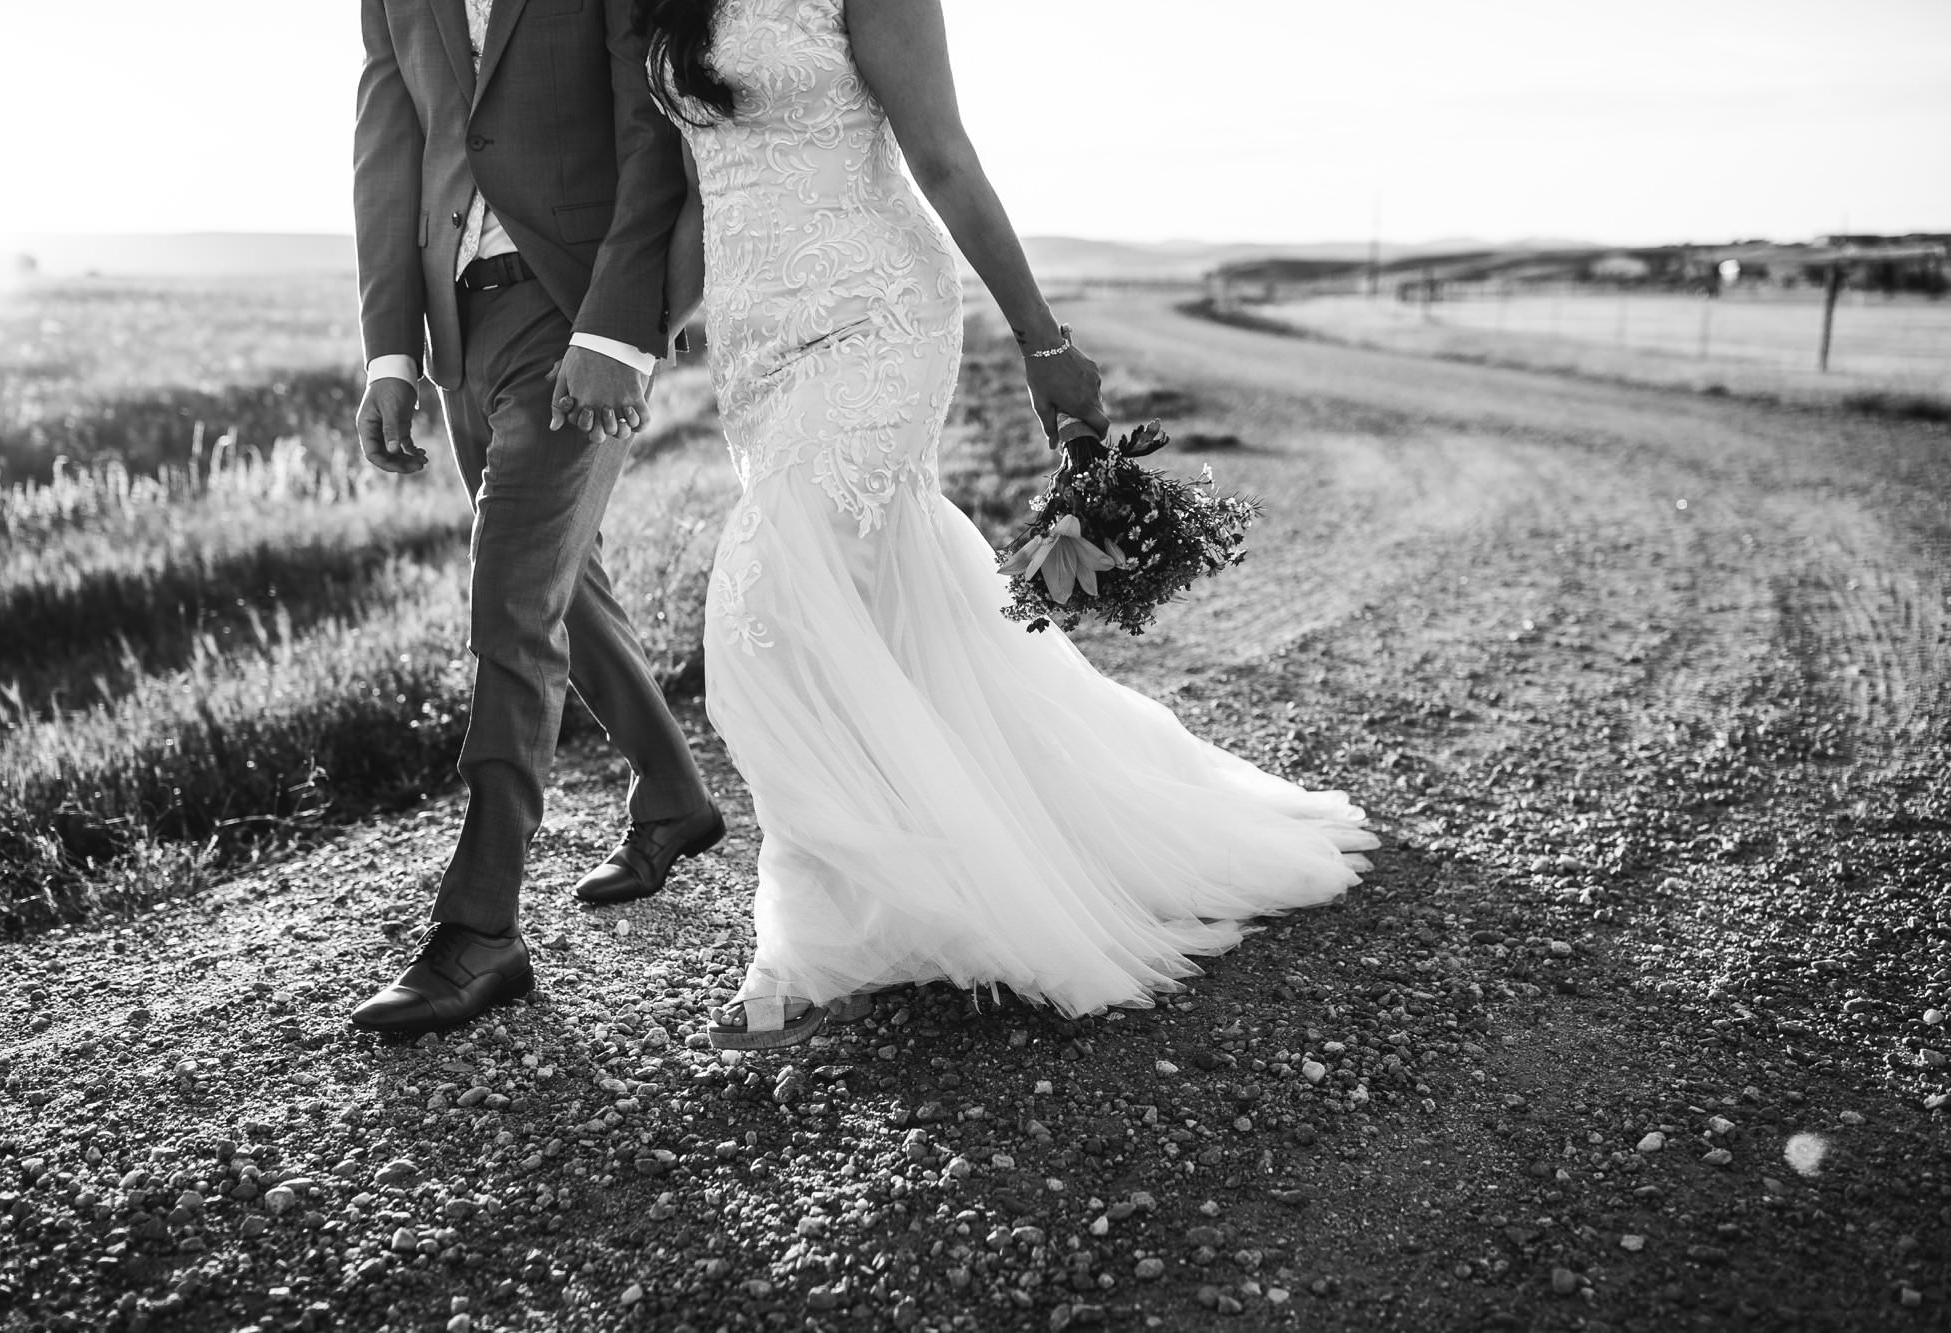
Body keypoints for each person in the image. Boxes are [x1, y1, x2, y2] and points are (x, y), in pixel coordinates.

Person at [640, 0, 1379, 1050]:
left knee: (762, 610)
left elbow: (941, 158)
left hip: (876, 319)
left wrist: (1042, 342)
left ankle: (812, 936)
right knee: (886, 606)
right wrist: (628, 343)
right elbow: (690, 191)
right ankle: (928, 873)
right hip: (756, 343)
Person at [347, 0, 726, 1037]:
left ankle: (480, 926)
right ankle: (673, 794)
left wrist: (618, 326)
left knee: (511, 597)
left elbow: (649, 123)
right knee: (561, 580)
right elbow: (387, 147)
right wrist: (392, 352)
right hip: (458, 329)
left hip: (577, 309)